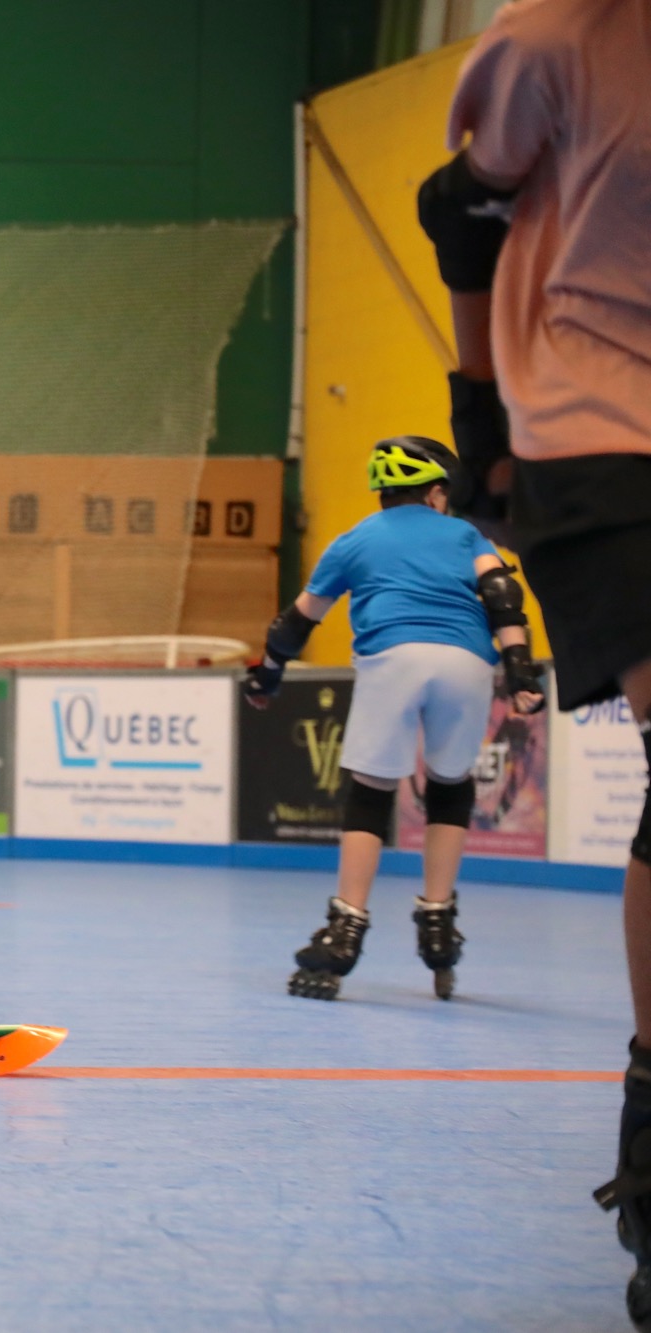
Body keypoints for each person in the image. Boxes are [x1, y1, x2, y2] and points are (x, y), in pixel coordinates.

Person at [418, 4, 651, 1320]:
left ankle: (412, 915)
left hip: (460, 673)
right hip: (599, 407)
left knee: (405, 798)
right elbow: (461, 210)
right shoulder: (562, 33)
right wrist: (475, 406)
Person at [243, 436, 544, 1001]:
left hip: (393, 657)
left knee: (371, 790)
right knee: (450, 786)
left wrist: (270, 675)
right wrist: (522, 674)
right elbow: (502, 594)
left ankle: (345, 929)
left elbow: (297, 622)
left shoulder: (355, 538)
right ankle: (438, 922)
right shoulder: (467, 535)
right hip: (466, 663)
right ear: (435, 494)